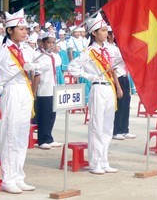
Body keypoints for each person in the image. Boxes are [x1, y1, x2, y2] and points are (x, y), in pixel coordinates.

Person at [0, 8, 40, 194]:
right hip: (11, 91)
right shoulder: (4, 50)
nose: (24, 32)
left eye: (25, 29)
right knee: (11, 134)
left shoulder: (27, 49)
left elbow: (38, 66)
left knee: (22, 135)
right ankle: (8, 178)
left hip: (25, 90)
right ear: (10, 30)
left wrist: (33, 66)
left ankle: (18, 175)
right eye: (20, 28)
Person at [68, 13, 123, 174]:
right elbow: (73, 67)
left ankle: (104, 161)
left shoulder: (111, 49)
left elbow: (120, 62)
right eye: (103, 30)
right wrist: (89, 76)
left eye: (107, 30)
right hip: (97, 87)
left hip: (109, 88)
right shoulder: (89, 51)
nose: (106, 33)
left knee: (107, 126)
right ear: (94, 33)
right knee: (97, 126)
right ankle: (95, 162)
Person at [33, 32, 63, 150]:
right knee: (44, 115)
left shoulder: (53, 56)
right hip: (43, 90)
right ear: (42, 43)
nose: (51, 45)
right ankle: (42, 139)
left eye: (53, 42)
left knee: (52, 114)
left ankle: (49, 137)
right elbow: (37, 75)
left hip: (53, 88)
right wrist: (34, 92)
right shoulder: (38, 56)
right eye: (48, 42)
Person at [108, 27, 136, 140]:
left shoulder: (116, 47)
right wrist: (118, 87)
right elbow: (113, 68)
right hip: (117, 78)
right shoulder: (109, 49)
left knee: (126, 103)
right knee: (119, 105)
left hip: (125, 77)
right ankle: (117, 130)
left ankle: (125, 129)